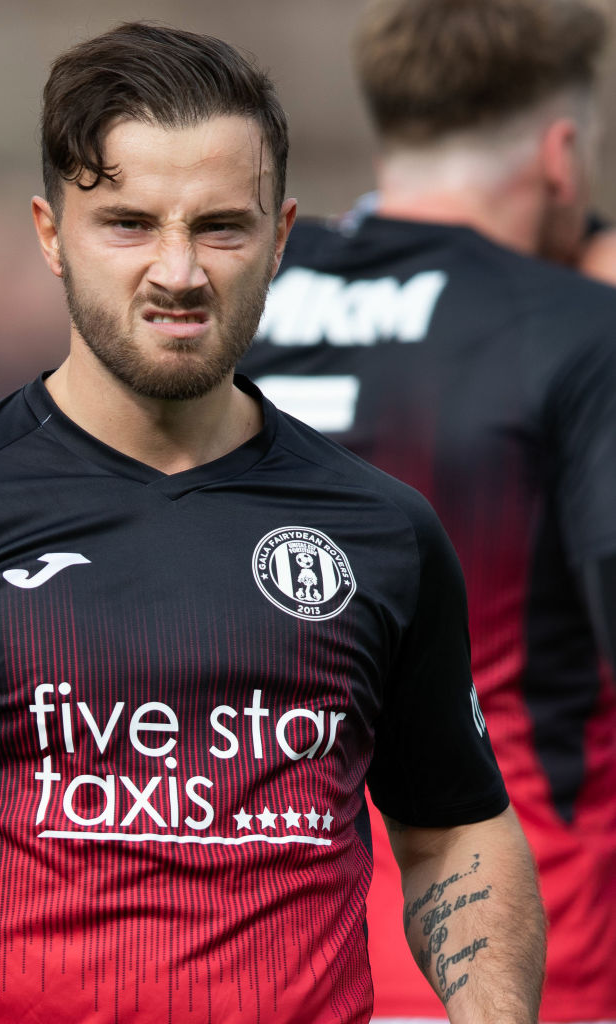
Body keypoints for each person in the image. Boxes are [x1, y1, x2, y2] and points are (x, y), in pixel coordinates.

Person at [0, 22, 545, 1024]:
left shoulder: (381, 534)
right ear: (51, 233)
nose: (178, 272)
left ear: (281, 236)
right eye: (130, 224)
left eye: (220, 227)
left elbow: (454, 832)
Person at [241, 1, 616, 1021]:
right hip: (515, 968)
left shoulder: (221, 301)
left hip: (252, 960)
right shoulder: (580, 334)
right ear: (560, 157)